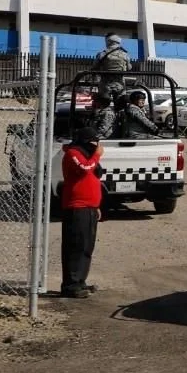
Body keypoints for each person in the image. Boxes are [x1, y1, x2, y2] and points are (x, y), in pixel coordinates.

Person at [59, 126, 104, 298]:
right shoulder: (73, 153)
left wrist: (96, 206)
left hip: (90, 208)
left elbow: (94, 174)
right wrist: (97, 154)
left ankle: (80, 281)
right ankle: (71, 284)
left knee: (86, 246)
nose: (96, 145)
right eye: (93, 141)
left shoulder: (88, 154)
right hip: (76, 207)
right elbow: (85, 168)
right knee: (75, 246)